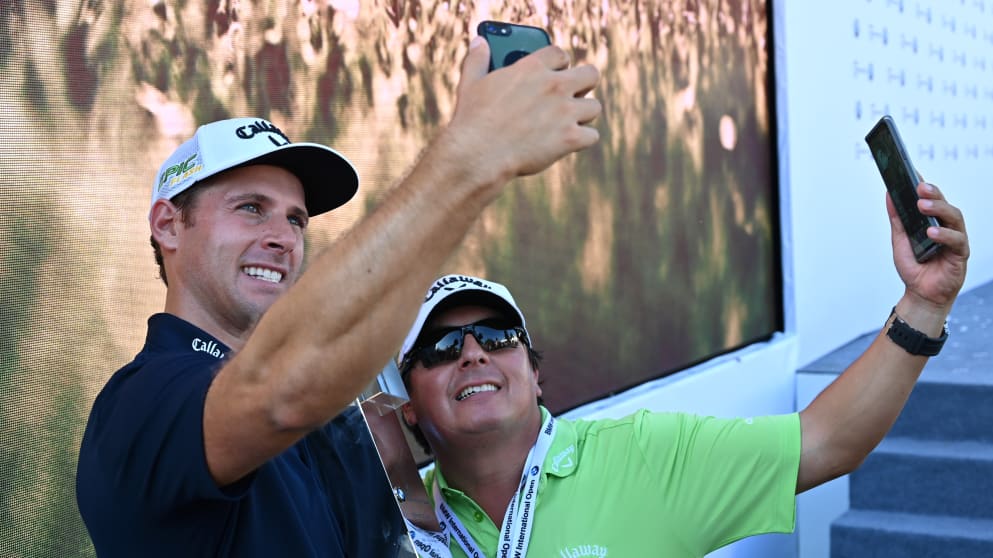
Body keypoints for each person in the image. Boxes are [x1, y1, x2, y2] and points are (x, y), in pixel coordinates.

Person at [75, 34, 601, 558]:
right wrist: (470, 160)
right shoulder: (141, 405)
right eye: (251, 207)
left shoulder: (336, 419)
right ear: (168, 225)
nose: (284, 237)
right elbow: (276, 391)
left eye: (296, 219)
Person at [396, 183, 970, 557]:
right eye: (442, 347)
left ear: (534, 373)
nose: (473, 353)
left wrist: (923, 306)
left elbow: (825, 441)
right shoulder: (395, 525)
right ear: (410, 407)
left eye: (498, 337)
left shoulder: (644, 453)